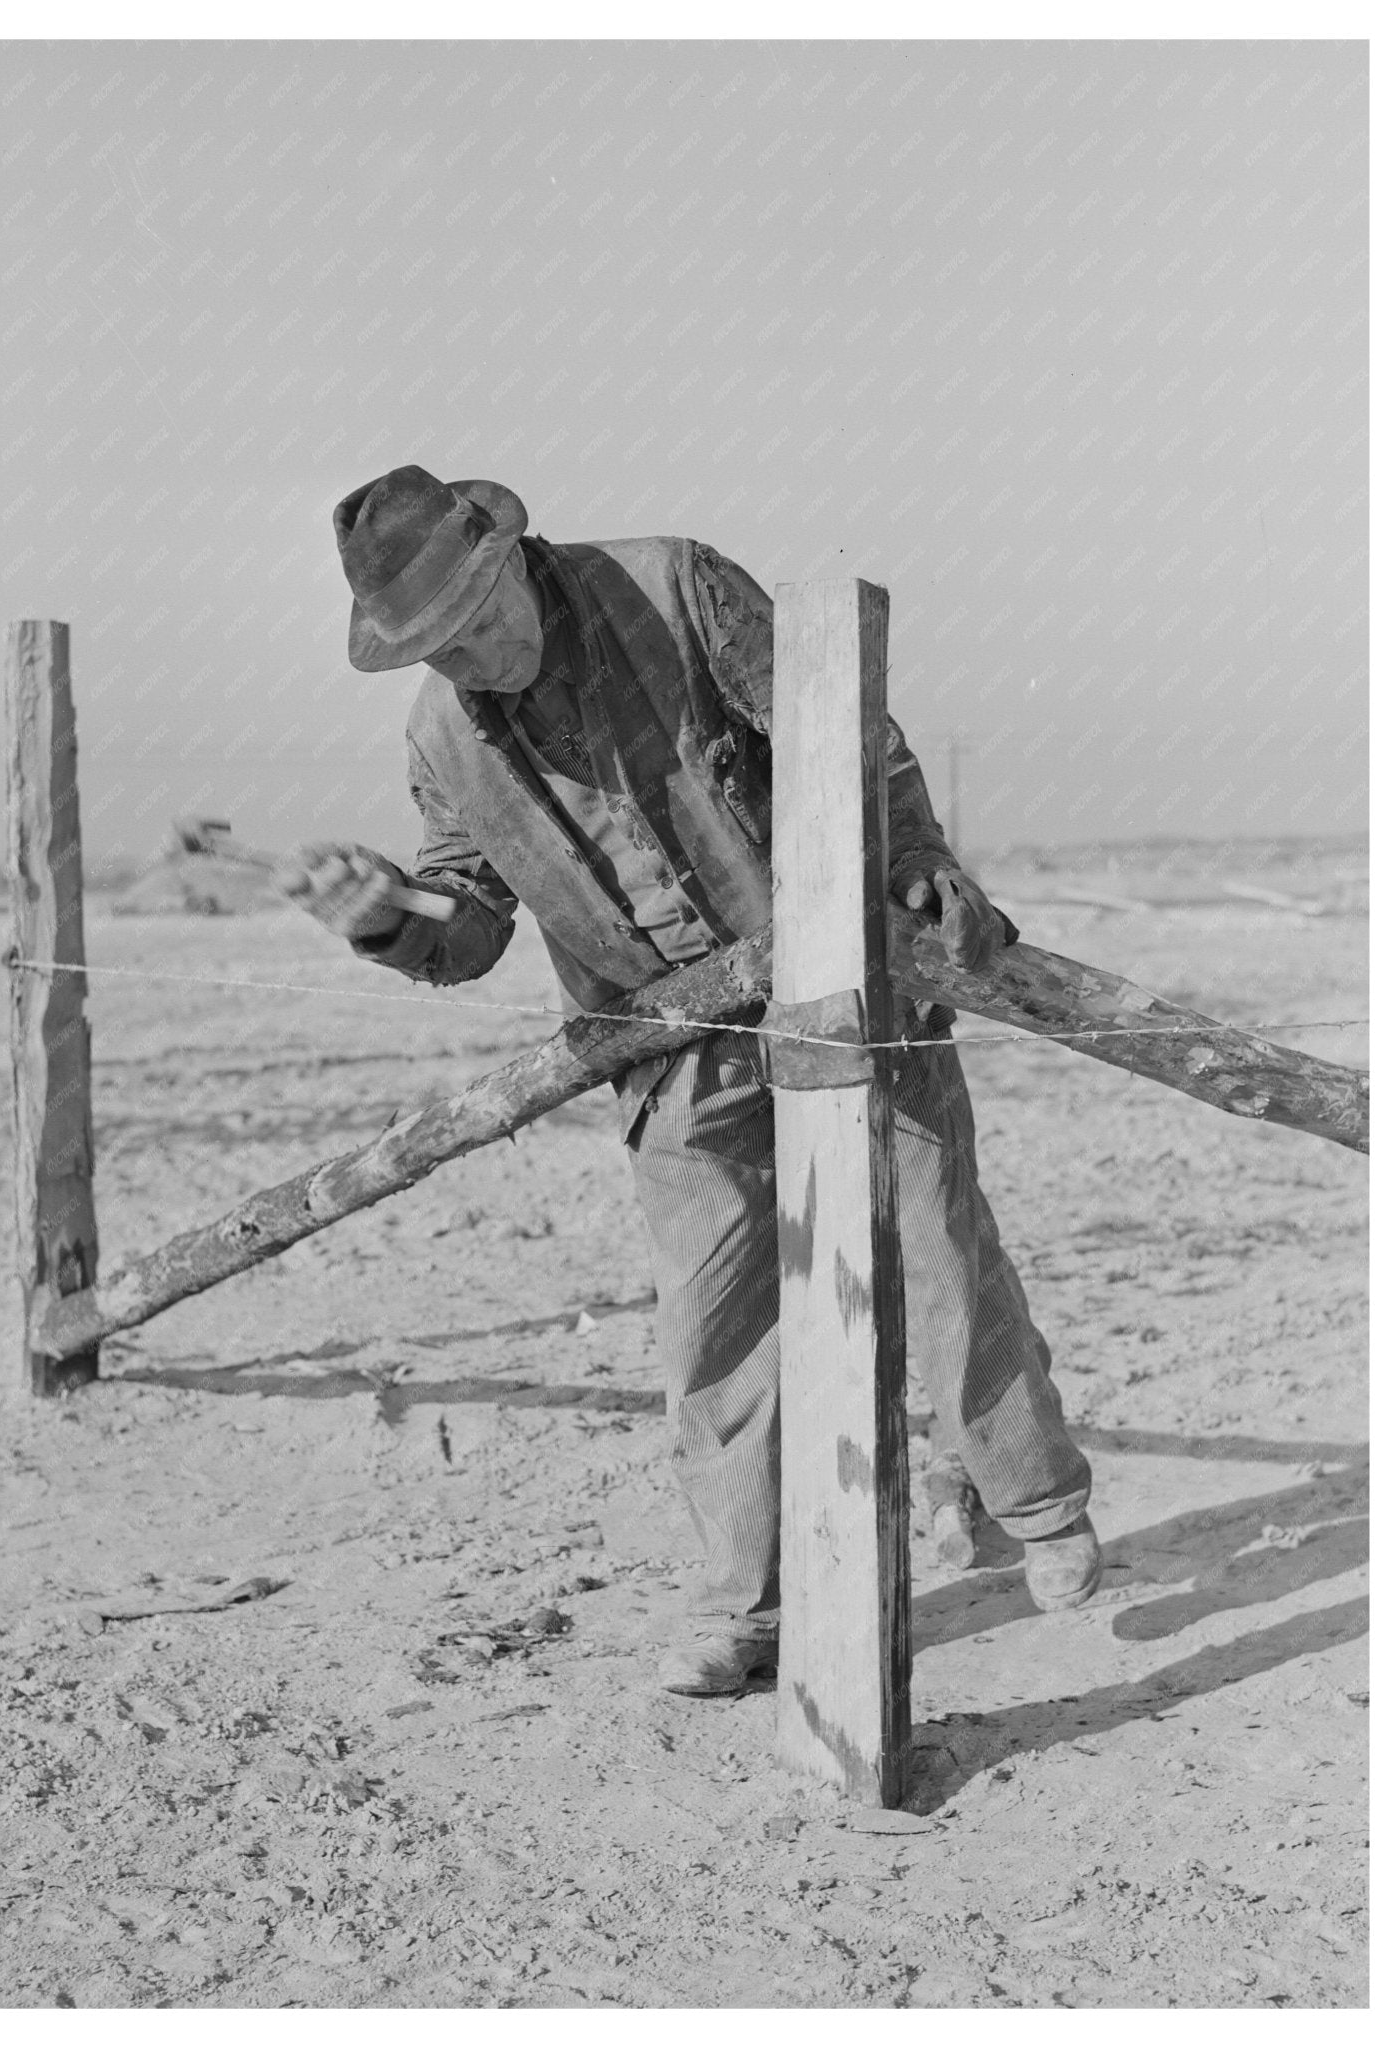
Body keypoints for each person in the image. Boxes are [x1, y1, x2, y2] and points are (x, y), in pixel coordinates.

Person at [280, 465, 1103, 1694]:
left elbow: (847, 736)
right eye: (436, 649)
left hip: (841, 977)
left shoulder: (671, 583)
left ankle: (1036, 1506)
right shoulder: (442, 738)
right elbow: (470, 919)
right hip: (663, 1044)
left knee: (935, 1244)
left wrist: (921, 860)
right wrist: (387, 914)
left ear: (513, 555)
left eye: (475, 623)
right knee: (715, 1328)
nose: (468, 661)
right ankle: (751, 1606)